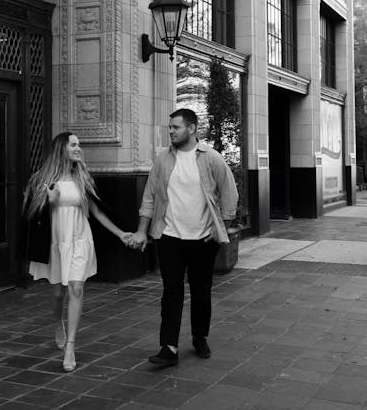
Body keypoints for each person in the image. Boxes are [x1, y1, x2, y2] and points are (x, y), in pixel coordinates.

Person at [129, 108, 238, 367]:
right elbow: (149, 195)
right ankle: (169, 347)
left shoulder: (211, 158)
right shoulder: (163, 159)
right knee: (171, 290)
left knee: (201, 290)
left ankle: (200, 336)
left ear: (191, 128)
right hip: (169, 236)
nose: (171, 131)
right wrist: (142, 230)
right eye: (170, 127)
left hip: (203, 239)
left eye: (175, 127)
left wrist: (220, 227)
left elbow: (229, 194)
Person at [24, 131, 132, 372]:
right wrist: (48, 202)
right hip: (55, 242)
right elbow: (29, 217)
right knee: (57, 293)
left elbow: (97, 212)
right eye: (73, 144)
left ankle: (71, 346)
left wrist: (120, 233)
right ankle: (57, 322)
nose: (78, 148)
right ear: (61, 148)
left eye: (79, 145)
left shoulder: (82, 178)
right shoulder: (41, 179)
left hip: (80, 239)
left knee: (76, 287)